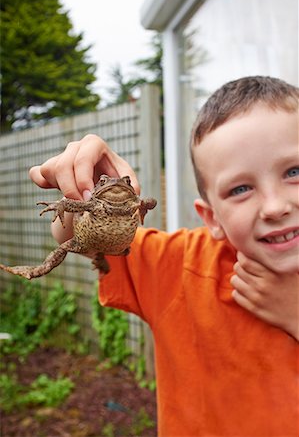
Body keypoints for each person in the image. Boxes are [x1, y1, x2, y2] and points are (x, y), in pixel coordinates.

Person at [29, 76, 298, 436]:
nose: (276, 206)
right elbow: (88, 242)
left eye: (294, 172)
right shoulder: (181, 266)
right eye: (241, 188)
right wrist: (81, 190)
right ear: (212, 218)